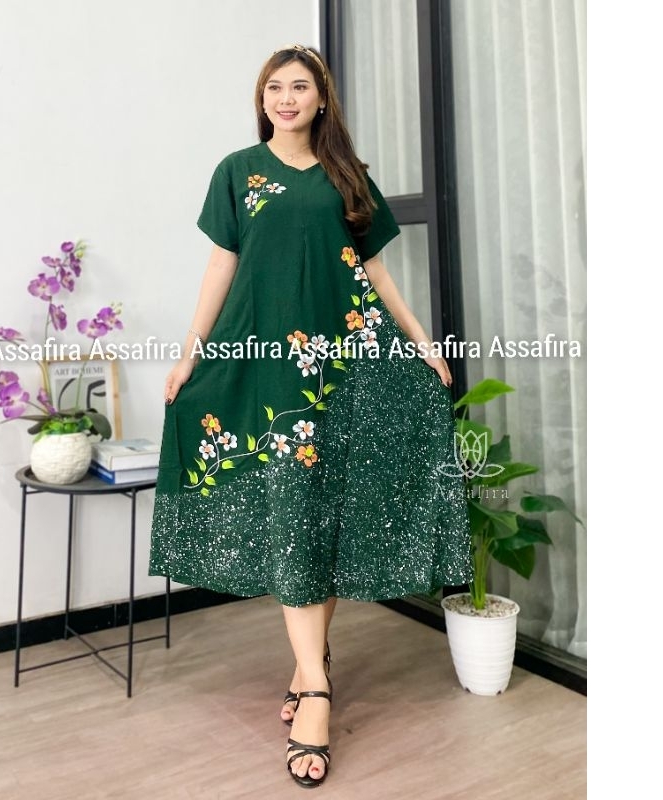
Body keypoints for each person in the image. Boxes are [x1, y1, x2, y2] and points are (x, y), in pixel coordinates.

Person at [149, 44, 471, 789]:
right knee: (292, 514)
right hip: (264, 365)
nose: (286, 98)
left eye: (300, 87)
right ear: (261, 99)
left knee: (320, 515)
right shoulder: (238, 171)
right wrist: (190, 355)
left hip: (344, 366)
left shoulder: (345, 176)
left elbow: (375, 269)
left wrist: (421, 342)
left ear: (322, 99)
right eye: (274, 87)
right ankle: (317, 690)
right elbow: (223, 264)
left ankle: (307, 668)